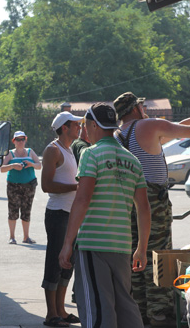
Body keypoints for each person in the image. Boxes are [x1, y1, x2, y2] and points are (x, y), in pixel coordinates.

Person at [112, 92, 190, 327]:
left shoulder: (120, 134)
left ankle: (139, 313)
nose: (144, 108)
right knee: (157, 254)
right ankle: (159, 314)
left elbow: (177, 127)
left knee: (136, 255)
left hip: (127, 202)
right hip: (152, 201)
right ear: (135, 108)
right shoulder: (147, 126)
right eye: (141, 105)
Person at [59, 102, 151, 327]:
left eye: (85, 126)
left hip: (93, 245)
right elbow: (144, 208)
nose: (84, 131)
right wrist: (141, 248)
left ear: (93, 125)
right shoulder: (133, 160)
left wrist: (68, 243)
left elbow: (82, 199)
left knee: (98, 309)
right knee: (125, 305)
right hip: (122, 245)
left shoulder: (91, 155)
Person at [41, 111, 83, 327]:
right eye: (76, 124)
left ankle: (61, 310)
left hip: (71, 215)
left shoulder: (68, 150)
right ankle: (51, 314)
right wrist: (76, 187)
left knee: (68, 264)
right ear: (64, 128)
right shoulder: (52, 150)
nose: (79, 127)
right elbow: (46, 186)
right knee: (55, 262)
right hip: (58, 214)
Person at [0, 131, 41, 244]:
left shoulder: (30, 152)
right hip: (14, 186)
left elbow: (39, 166)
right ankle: (12, 237)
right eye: (18, 139)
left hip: (29, 186)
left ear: (25, 140)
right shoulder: (10, 153)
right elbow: (2, 168)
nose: (21, 141)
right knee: (13, 211)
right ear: (14, 141)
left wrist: (31, 164)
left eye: (22, 139)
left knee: (26, 211)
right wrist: (13, 166)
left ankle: (26, 237)